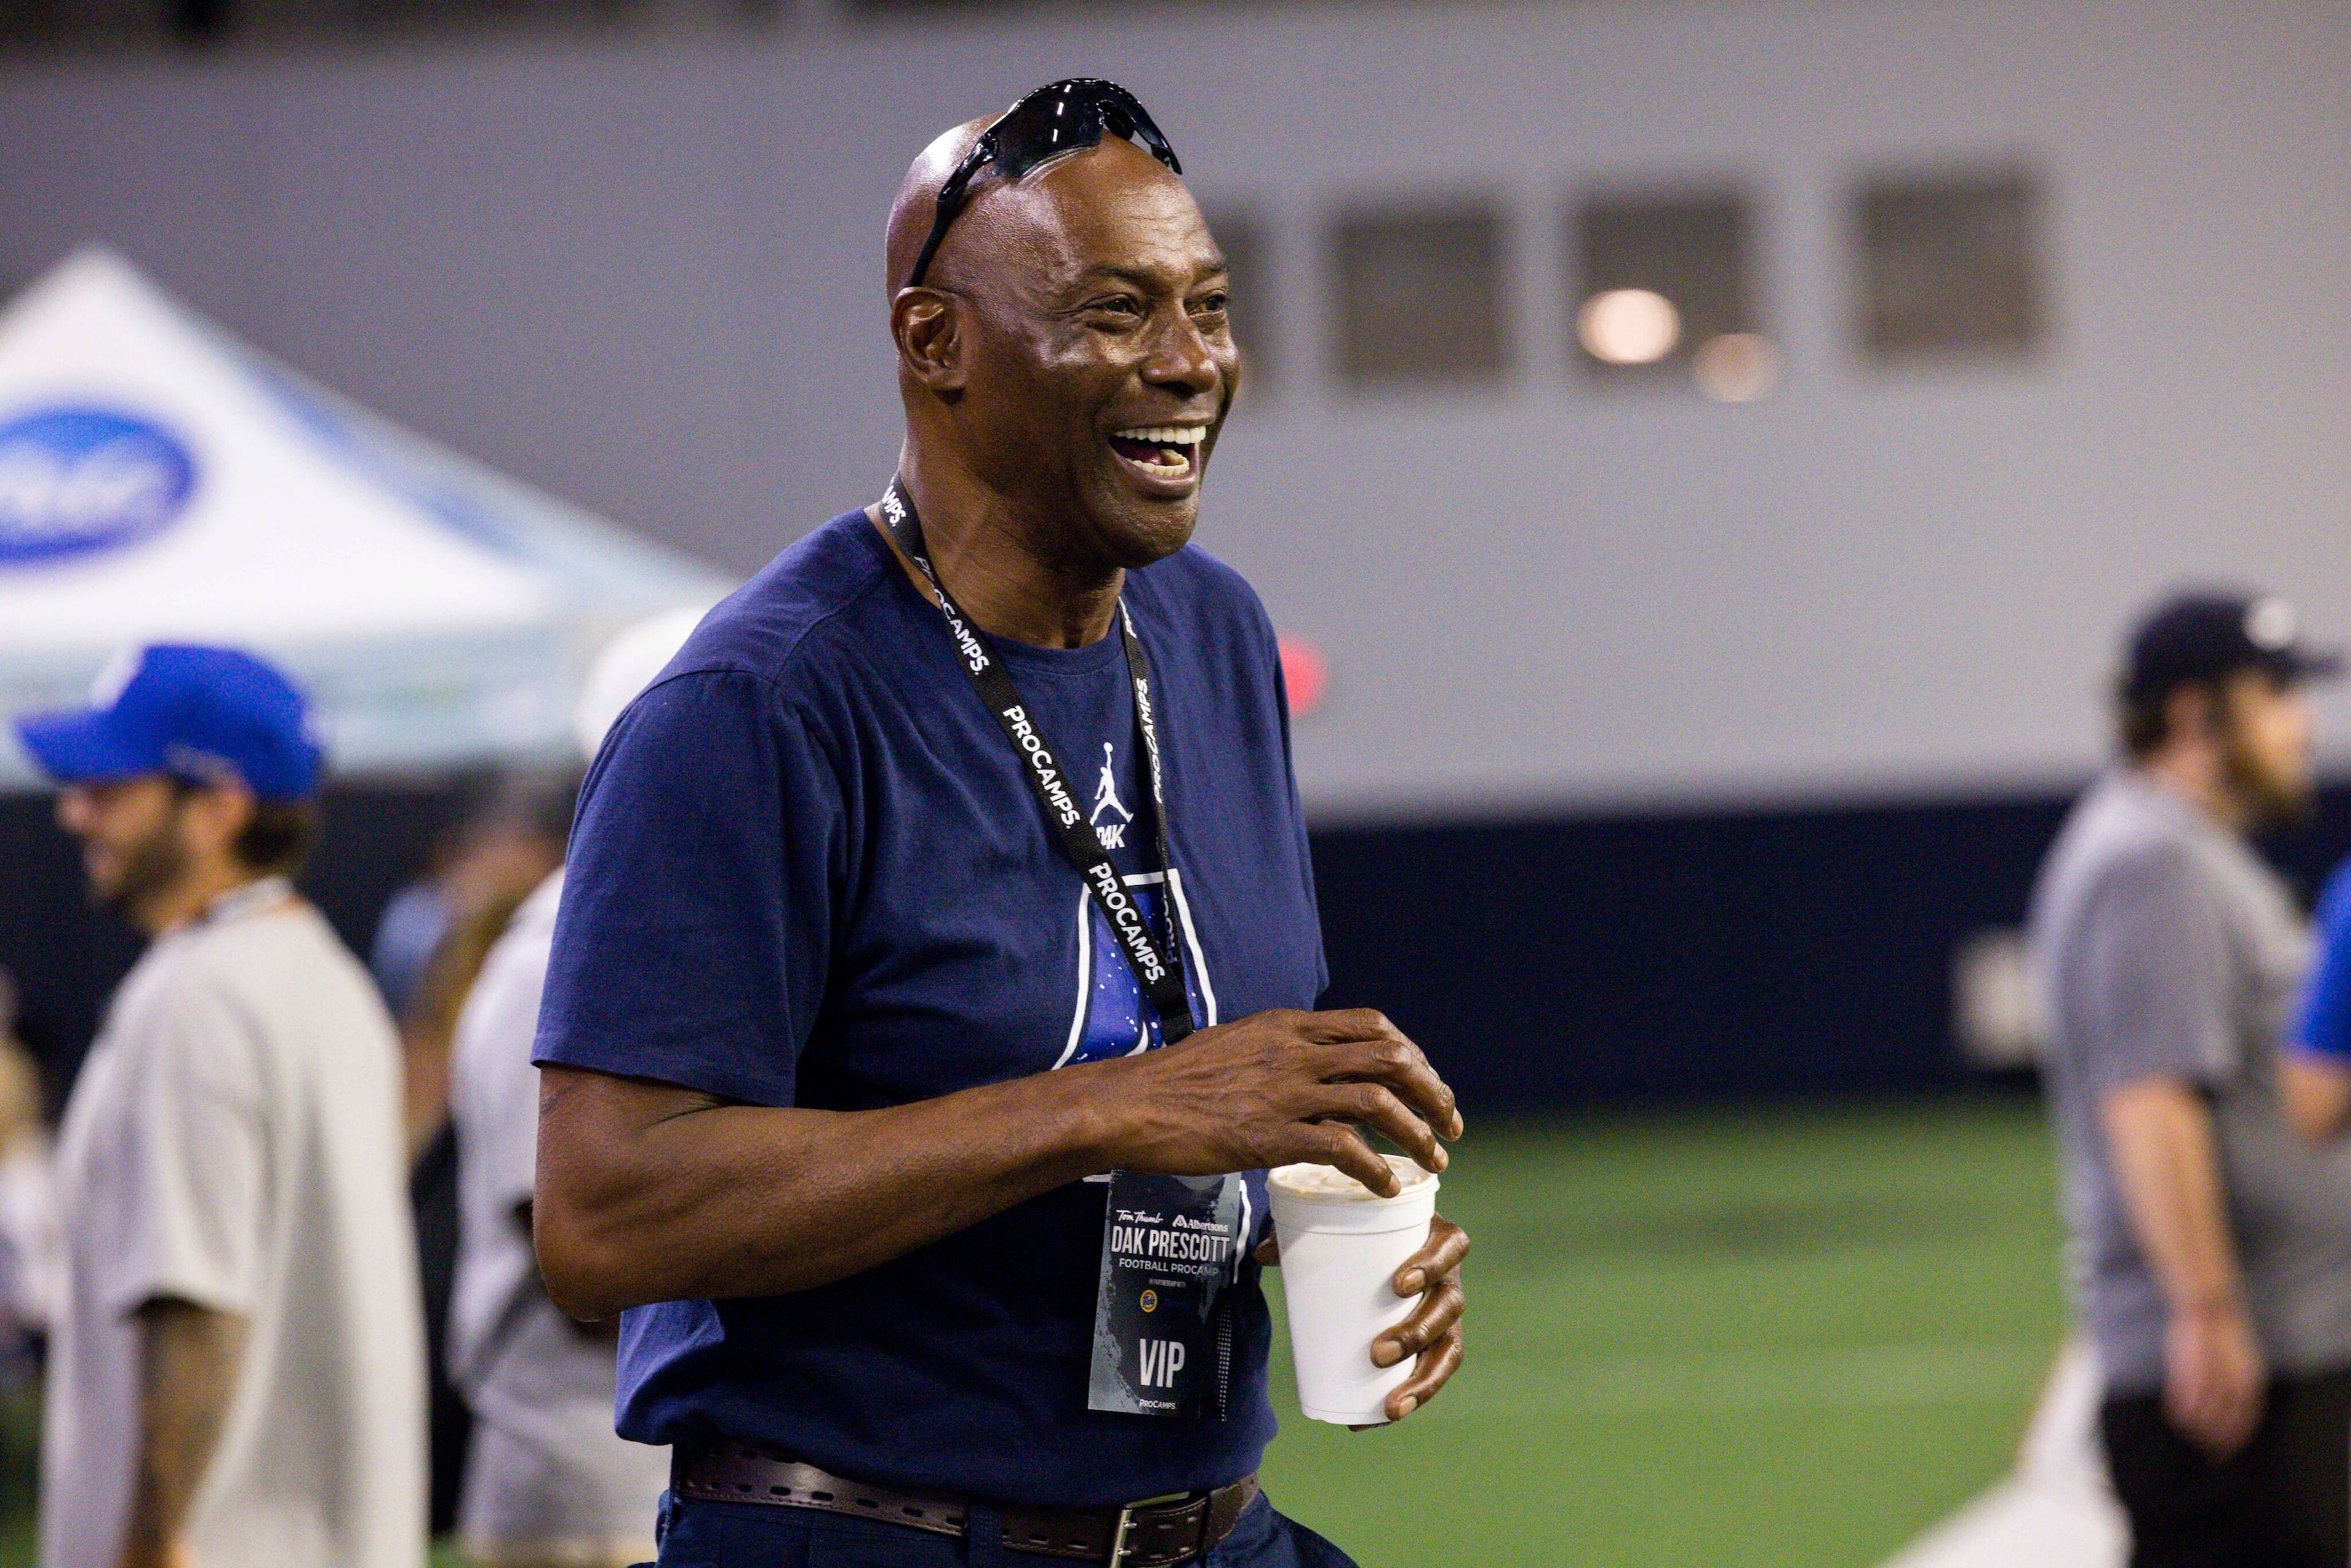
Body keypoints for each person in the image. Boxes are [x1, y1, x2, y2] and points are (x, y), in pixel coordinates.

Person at [530, 79, 1469, 1568]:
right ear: (935, 342)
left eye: (1208, 306)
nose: (1190, 362)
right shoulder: (759, 702)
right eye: (1115, 310)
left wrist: (1299, 1211)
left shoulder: (1212, 634)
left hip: (1204, 1527)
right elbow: (604, 1209)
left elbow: (1185, 1099)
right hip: (872, 1534)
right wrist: (1109, 1106)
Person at [14, 644, 427, 1568]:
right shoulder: (326, 978)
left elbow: (193, 1297)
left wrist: (153, 1538)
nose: (76, 813)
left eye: (111, 789)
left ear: (218, 807)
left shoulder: (197, 997)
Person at [2028, 589, 2351, 1568]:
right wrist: (2203, 1312)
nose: (2300, 726)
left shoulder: (2184, 855)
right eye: (2275, 696)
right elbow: (2148, 1101)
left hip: (2277, 1343)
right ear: (2191, 714)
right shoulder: (2148, 863)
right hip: (2240, 1369)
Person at [446, 612, 701, 1568]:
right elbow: (584, 1271)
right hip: (570, 1468)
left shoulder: (668, 932)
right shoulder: (552, 953)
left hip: (644, 1464)